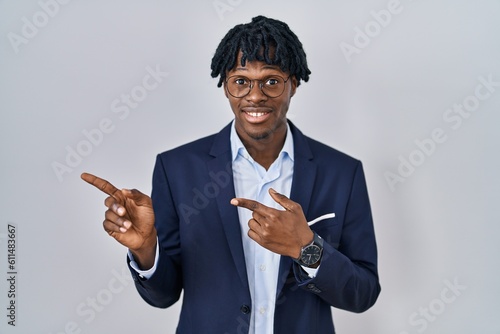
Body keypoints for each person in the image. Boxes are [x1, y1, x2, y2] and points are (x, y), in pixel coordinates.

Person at [82, 15, 380, 334]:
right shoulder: (177, 169)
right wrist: (146, 249)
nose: (255, 96)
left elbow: (362, 294)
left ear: (293, 83)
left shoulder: (342, 172)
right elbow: (164, 295)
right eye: (241, 81)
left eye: (271, 81)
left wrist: (306, 246)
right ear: (225, 86)